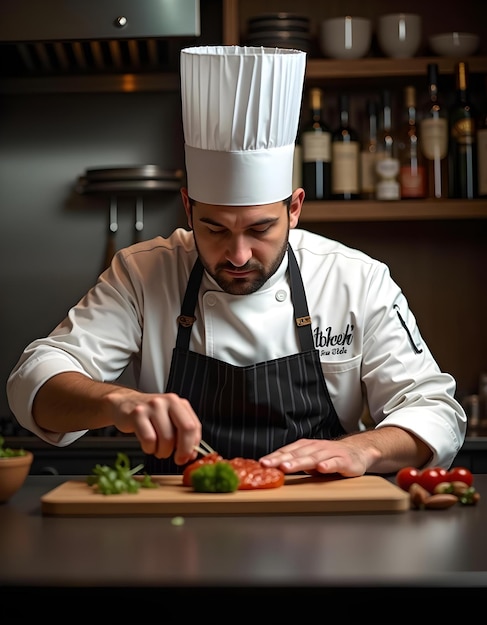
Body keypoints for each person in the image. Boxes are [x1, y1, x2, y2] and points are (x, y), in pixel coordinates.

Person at [7, 45, 466, 478]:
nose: (239, 254)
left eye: (260, 229)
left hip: (323, 530)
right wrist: (117, 401)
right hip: (175, 529)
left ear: (295, 209)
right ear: (188, 208)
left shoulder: (355, 279)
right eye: (215, 229)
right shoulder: (143, 273)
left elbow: (435, 409)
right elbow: (35, 379)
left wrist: (362, 447)